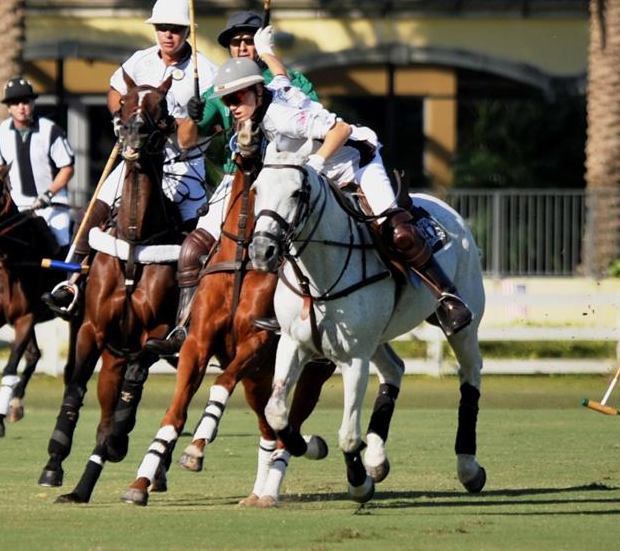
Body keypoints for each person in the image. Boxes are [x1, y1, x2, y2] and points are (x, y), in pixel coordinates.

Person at [194, 25, 473, 336]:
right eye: (227, 100)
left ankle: (448, 297)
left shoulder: (281, 117)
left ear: (258, 91)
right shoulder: (271, 96)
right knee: (288, 227)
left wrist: (315, 163)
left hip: (357, 163)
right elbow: (282, 77)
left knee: (397, 231)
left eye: (237, 97)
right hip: (323, 169)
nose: (232, 106)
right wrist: (267, 51)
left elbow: (341, 130)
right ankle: (285, 306)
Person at [145, 10, 319, 354]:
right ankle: (183, 325)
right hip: (236, 177)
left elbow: (312, 118)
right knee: (192, 249)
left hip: (283, 179)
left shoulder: (291, 81)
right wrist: (190, 116)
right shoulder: (219, 88)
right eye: (236, 42)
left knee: (301, 247)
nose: (242, 47)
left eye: (249, 41)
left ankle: (306, 320)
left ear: (260, 44)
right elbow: (187, 140)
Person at [43, 0, 217, 316]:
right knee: (92, 212)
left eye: (176, 29)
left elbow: (208, 127)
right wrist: (118, 118)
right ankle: (71, 284)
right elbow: (115, 92)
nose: (168, 35)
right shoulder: (141, 59)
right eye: (162, 28)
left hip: (184, 166)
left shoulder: (205, 72)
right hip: (136, 160)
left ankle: (191, 307)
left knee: (195, 233)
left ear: (187, 32)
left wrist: (192, 118)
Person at [0, 76, 75, 315]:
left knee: (62, 242)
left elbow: (67, 167)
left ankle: (66, 291)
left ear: (32, 104)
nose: (21, 107)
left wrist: (49, 193)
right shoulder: (0, 133)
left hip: (52, 206)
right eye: (16, 102)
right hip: (17, 208)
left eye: (26, 101)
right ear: (8, 107)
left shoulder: (50, 130)